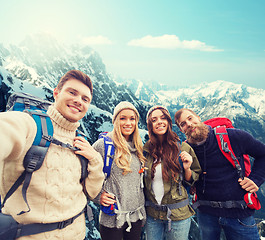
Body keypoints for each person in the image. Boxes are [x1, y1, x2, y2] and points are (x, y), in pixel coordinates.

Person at [0, 70, 105, 240]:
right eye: (72, 92)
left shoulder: (81, 140)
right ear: (56, 93)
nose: (78, 101)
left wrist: (94, 159)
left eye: (85, 99)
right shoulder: (28, 124)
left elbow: (91, 192)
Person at [174, 108, 265, 240]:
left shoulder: (233, 137)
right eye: (183, 124)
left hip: (239, 213)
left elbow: (262, 154)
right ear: (181, 130)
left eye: (190, 118)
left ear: (198, 117)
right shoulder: (186, 150)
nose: (188, 124)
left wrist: (256, 180)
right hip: (206, 214)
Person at [144, 106, 201, 240]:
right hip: (153, 215)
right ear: (150, 126)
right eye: (154, 120)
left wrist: (187, 168)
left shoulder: (183, 148)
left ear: (169, 122)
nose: (159, 122)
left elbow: (194, 179)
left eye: (163, 118)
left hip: (178, 216)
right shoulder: (145, 151)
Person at [93, 101, 146, 240]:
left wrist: (143, 212)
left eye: (132, 119)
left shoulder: (138, 148)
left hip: (135, 217)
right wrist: (97, 196)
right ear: (115, 121)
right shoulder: (103, 146)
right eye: (123, 118)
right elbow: (85, 176)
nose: (128, 123)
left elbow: (139, 185)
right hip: (112, 218)